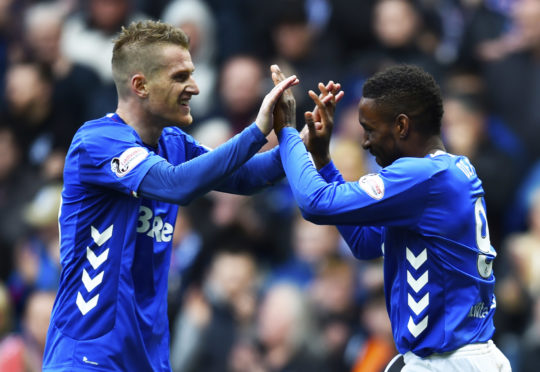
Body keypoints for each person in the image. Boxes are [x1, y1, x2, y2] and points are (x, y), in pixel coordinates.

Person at [42, 20, 299, 371]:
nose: (193, 87)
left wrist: (300, 143)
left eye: (191, 74)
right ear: (140, 85)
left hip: (147, 358)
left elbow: (247, 177)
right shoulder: (97, 142)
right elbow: (176, 185)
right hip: (89, 355)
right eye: (180, 77)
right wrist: (255, 131)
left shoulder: (173, 143)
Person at [271, 64, 512, 371]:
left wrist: (287, 132)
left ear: (401, 126)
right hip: (460, 358)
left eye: (370, 129)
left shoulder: (421, 176)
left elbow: (314, 203)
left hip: (447, 362)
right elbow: (364, 242)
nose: (365, 143)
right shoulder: (445, 172)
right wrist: (322, 160)